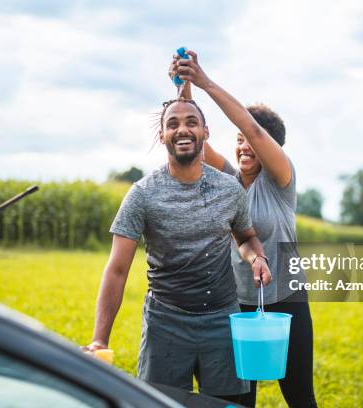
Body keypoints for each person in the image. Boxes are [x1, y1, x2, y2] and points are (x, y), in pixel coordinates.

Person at [82, 98, 272, 403]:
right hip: (165, 323)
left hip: (222, 320)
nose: (182, 129)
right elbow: (117, 270)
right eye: (173, 124)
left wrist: (256, 257)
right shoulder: (142, 194)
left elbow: (246, 237)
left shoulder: (229, 189)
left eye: (191, 122)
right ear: (162, 136)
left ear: (205, 132)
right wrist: (99, 340)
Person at [171, 50, 318, 407]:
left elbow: (253, 127)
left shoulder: (281, 180)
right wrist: (186, 87)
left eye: (250, 139)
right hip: (236, 304)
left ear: (270, 147)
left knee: (299, 397)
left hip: (287, 301)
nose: (242, 145)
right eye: (237, 139)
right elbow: (194, 139)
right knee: (238, 399)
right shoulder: (228, 180)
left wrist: (206, 82)